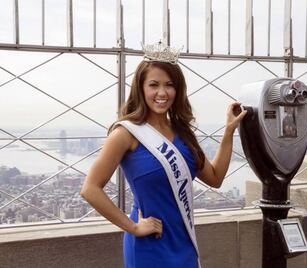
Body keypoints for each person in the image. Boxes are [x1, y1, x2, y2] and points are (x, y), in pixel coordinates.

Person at [80, 44, 247, 268]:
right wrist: (133, 227)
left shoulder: (183, 133)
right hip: (149, 246)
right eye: (154, 85)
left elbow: (215, 178)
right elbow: (90, 189)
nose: (162, 93)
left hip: (184, 242)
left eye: (170, 85)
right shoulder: (126, 133)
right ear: (141, 88)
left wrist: (228, 131)